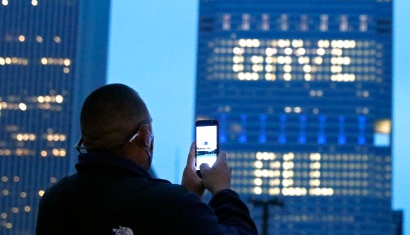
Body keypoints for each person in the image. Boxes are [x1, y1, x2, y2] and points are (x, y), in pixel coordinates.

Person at [36, 83, 258, 235]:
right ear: (144, 135)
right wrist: (223, 192)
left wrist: (188, 195)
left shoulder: (55, 201)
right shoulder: (172, 205)